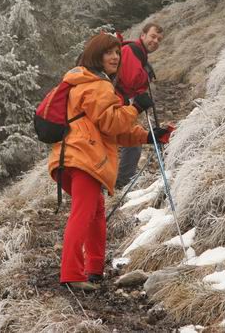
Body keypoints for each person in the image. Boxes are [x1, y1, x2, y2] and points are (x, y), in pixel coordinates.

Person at [48, 33, 169, 291]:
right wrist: (136, 108)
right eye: (108, 53)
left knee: (94, 213)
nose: (115, 57)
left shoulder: (86, 82)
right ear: (96, 55)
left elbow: (111, 129)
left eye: (117, 52)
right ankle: (72, 273)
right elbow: (112, 122)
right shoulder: (97, 84)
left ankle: (94, 269)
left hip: (72, 156)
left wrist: (148, 136)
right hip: (84, 157)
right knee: (84, 214)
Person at [115, 22, 165, 189]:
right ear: (142, 35)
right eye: (152, 36)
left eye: (159, 39)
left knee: (131, 141)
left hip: (120, 100)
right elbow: (132, 80)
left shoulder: (139, 53)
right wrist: (146, 76)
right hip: (114, 101)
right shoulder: (132, 51)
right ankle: (122, 182)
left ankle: (121, 181)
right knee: (130, 141)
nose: (155, 41)